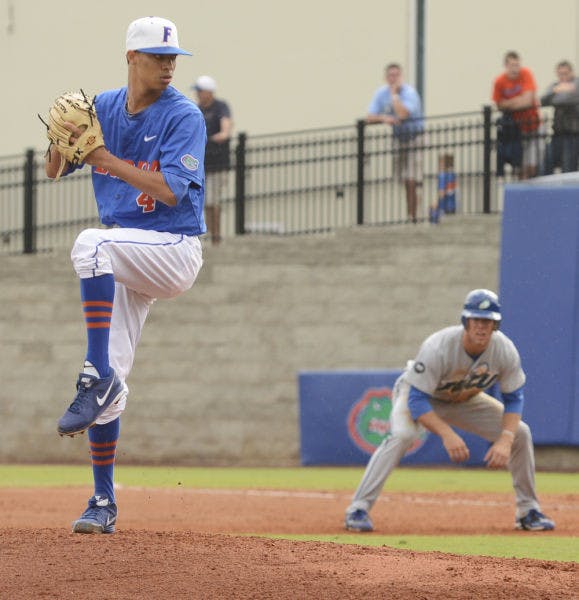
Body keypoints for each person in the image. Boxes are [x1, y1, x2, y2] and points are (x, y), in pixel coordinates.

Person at [44, 16, 206, 534]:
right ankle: (103, 502)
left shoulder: (185, 115)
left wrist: (103, 158)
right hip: (127, 257)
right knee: (112, 389)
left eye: (173, 58)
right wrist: (60, 138)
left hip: (174, 250)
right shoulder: (106, 107)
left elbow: (172, 192)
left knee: (90, 243)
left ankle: (96, 375)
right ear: (131, 58)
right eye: (159, 57)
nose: (168, 66)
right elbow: (54, 169)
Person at [344, 289, 555, 533]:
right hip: (420, 395)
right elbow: (417, 400)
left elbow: (514, 397)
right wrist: (447, 434)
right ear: (466, 321)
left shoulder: (504, 350)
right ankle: (357, 509)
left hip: (465, 399)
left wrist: (505, 440)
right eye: (476, 320)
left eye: (487, 321)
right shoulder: (439, 346)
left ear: (496, 324)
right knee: (402, 436)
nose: (481, 327)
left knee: (520, 433)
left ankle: (528, 511)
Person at [367, 63, 424, 223]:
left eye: (396, 75)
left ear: (401, 77)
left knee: (411, 176)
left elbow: (403, 114)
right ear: (386, 77)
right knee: (401, 177)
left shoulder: (409, 93)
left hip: (414, 136)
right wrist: (384, 118)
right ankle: (413, 204)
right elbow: (369, 117)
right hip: (398, 138)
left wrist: (394, 95)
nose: (393, 79)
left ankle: (412, 216)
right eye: (390, 76)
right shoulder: (380, 93)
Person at [193, 75, 233, 245]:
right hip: (202, 164)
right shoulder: (196, 109)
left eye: (200, 91)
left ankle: (215, 236)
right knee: (203, 201)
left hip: (217, 164)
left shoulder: (220, 107)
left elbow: (225, 131)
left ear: (208, 92)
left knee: (212, 201)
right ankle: (209, 234)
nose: (198, 95)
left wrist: (215, 137)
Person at [492, 51, 544, 179]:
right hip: (517, 130)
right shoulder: (499, 81)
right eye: (512, 65)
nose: (515, 69)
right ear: (506, 65)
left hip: (534, 125)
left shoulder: (526, 74)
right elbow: (499, 105)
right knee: (519, 165)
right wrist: (519, 99)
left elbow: (528, 101)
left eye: (517, 65)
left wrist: (509, 103)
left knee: (534, 165)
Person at [541, 60, 579, 173]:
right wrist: (556, 91)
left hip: (573, 133)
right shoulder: (554, 86)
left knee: (568, 167)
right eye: (560, 74)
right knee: (547, 164)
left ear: (572, 72)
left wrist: (557, 95)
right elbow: (542, 100)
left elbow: (571, 98)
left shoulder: (577, 83)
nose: (563, 77)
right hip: (557, 132)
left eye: (565, 73)